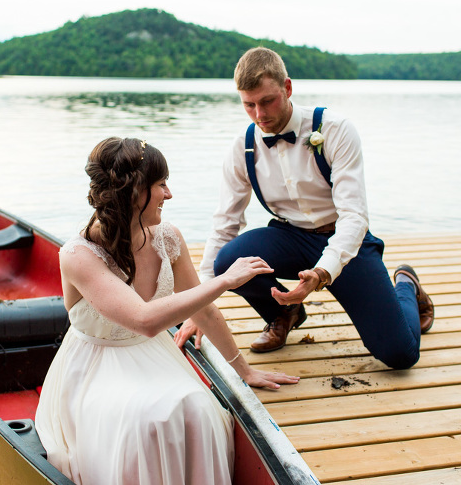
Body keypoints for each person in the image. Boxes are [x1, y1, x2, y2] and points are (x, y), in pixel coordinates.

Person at [34, 137, 299, 485]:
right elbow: (144, 320)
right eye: (161, 185)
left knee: (198, 408)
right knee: (146, 422)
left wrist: (244, 371)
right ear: (134, 191)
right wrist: (223, 281)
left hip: (153, 355)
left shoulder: (168, 237)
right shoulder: (78, 254)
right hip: (96, 367)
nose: (169, 194)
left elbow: (203, 312)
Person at [175, 47, 434, 370]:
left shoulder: (335, 130)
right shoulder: (243, 148)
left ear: (287, 88)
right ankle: (283, 313)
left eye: (267, 101)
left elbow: (355, 216)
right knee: (227, 259)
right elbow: (224, 225)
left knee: (400, 354)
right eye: (249, 105)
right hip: (289, 237)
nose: (259, 114)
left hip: (344, 243)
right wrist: (200, 307)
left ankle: (407, 283)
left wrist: (323, 271)